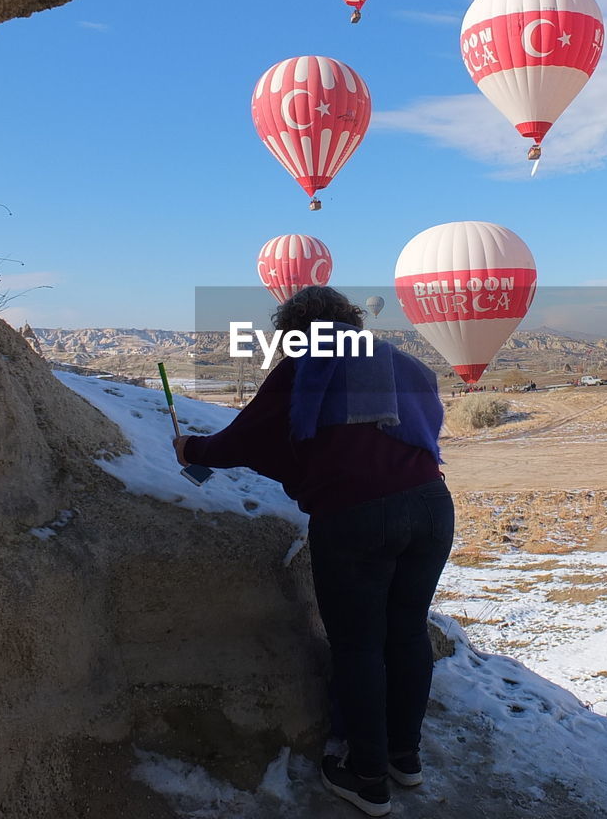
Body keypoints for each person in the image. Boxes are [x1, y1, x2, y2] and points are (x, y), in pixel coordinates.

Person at [175, 286, 452, 817]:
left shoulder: (304, 369)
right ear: (350, 320)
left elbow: (246, 440)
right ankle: (404, 757)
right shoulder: (402, 364)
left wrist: (193, 450)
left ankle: (368, 779)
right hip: (432, 505)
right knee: (408, 629)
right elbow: (421, 430)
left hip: (356, 516)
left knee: (358, 645)